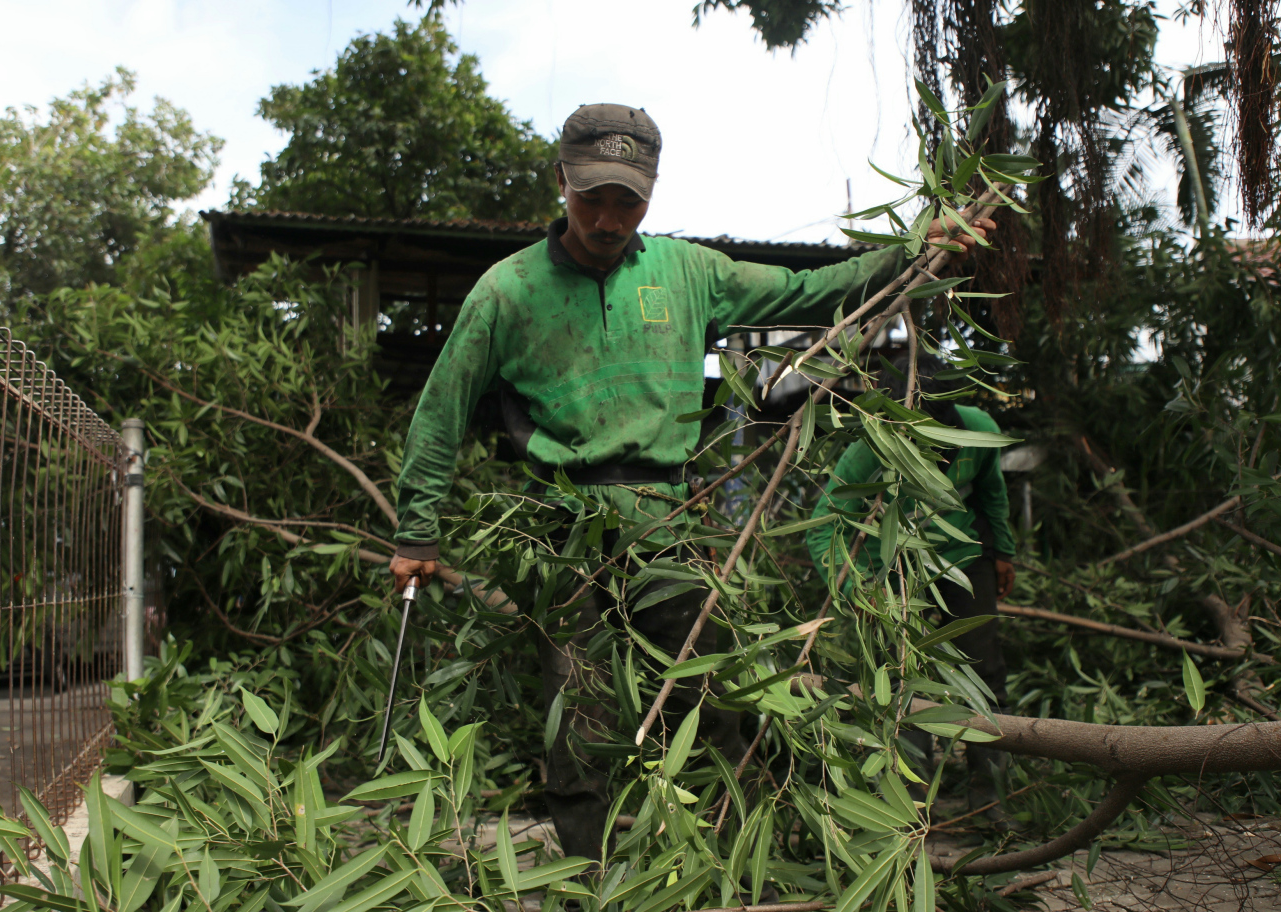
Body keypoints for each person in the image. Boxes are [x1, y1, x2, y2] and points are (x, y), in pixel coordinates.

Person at [389, 103, 995, 864]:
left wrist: (913, 249)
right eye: (592, 198)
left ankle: (718, 873)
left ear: (651, 193)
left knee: (710, 705)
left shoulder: (690, 272)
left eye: (628, 201)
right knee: (581, 716)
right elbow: (440, 414)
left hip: (672, 526)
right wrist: (416, 531)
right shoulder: (505, 291)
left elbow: (813, 290)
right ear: (561, 182)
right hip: (564, 533)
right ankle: (596, 881)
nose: (609, 220)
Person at [804, 355, 1016, 786]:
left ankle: (993, 798)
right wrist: (858, 589)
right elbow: (824, 531)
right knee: (906, 677)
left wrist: (1004, 553)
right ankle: (911, 798)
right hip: (896, 569)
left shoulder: (979, 431)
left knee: (984, 668)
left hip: (963, 556)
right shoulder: (868, 450)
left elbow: (992, 493)